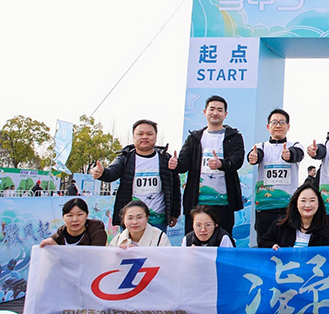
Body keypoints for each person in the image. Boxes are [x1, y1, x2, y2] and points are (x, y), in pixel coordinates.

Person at [172, 95, 245, 237]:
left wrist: (221, 164)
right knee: (194, 241)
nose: (215, 113)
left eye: (219, 110)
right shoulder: (194, 138)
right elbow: (183, 164)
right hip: (197, 203)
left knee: (223, 240)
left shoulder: (234, 137)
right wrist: (176, 164)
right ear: (205, 112)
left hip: (223, 204)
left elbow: (237, 161)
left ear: (225, 114)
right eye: (212, 109)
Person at [93, 119, 181, 231]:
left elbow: (175, 187)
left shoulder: (166, 158)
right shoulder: (125, 158)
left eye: (149, 134)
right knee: (129, 243)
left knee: (157, 243)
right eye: (140, 134)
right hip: (131, 220)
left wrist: (175, 212)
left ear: (156, 136)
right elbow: (112, 172)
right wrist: (102, 173)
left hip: (158, 219)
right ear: (133, 137)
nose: (145, 137)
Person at [247, 109, 305, 246]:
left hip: (288, 208)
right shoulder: (260, 146)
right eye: (274, 122)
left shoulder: (295, 145)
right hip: (265, 208)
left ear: (288, 126)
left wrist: (290, 155)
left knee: (288, 245)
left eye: (282, 122)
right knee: (265, 246)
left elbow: (298, 154)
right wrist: (254, 157)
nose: (278, 125)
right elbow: (256, 155)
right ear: (268, 126)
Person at [260, 183, 329, 249]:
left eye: (312, 200)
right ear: (296, 203)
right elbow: (263, 243)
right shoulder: (281, 225)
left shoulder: (325, 231)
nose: (307, 205)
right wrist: (273, 246)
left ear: (319, 204)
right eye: (303, 201)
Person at [39, 198, 108, 247]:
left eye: (79, 214)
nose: (74, 220)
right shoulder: (58, 236)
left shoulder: (96, 232)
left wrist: (58, 249)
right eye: (69, 215)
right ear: (63, 217)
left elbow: (94, 256)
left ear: (87, 215)